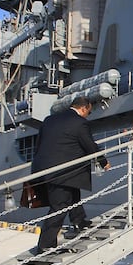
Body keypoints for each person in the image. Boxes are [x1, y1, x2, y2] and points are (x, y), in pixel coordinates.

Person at [32, 95, 110, 253]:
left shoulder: (49, 120)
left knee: (73, 191)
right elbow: (89, 145)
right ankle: (46, 245)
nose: (88, 115)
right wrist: (103, 162)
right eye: (88, 111)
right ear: (84, 108)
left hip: (46, 168)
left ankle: (79, 221)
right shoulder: (80, 122)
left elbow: (40, 143)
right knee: (59, 206)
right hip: (63, 170)